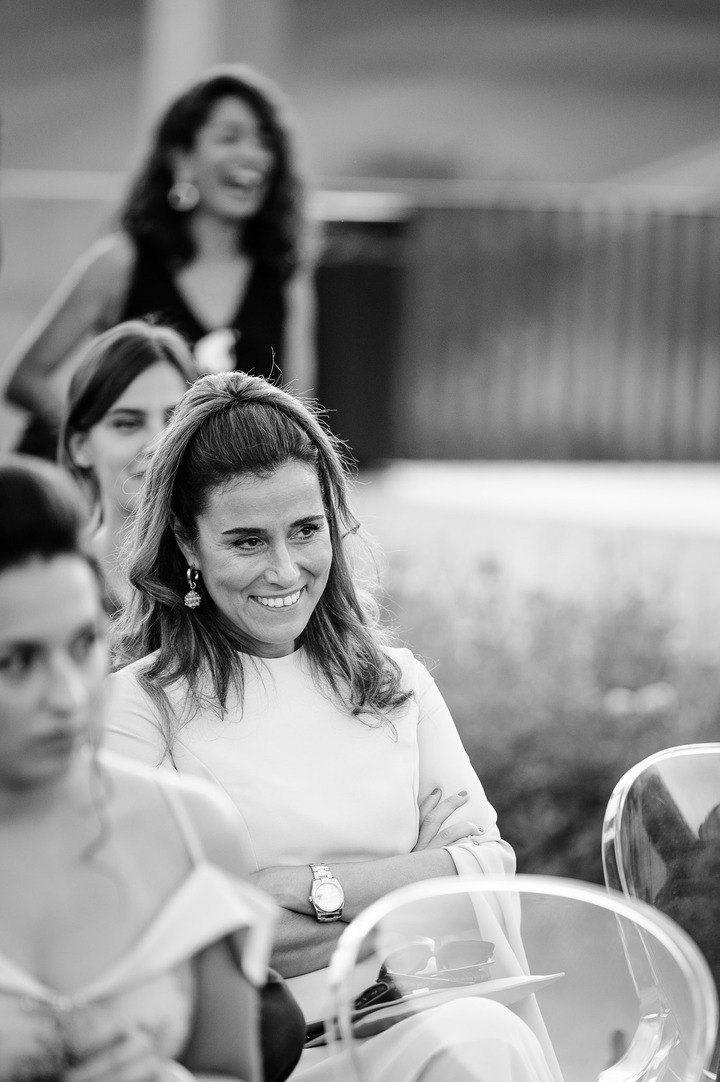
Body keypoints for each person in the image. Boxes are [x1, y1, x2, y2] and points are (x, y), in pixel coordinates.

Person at [103, 371, 561, 1082]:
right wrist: (417, 883)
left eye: (306, 530)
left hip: (417, 1025)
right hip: (256, 1063)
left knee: (480, 1037)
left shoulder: (396, 681)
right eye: (247, 541)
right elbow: (186, 947)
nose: (285, 569)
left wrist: (308, 887)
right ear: (187, 545)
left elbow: (489, 872)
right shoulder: (138, 711)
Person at [0, 453, 311, 1082]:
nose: (67, 695)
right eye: (16, 663)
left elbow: (232, 1070)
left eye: (83, 645)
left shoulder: (194, 832)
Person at [5, 64, 316, 459]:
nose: (252, 154)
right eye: (229, 137)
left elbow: (299, 415)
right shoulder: (120, 263)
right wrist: (102, 445)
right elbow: (25, 378)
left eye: (265, 140)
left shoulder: (286, 276)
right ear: (182, 159)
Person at [58, 319, 198, 613]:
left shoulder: (228, 568)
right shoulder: (52, 586)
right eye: (127, 423)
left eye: (174, 420)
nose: (157, 443)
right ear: (80, 446)